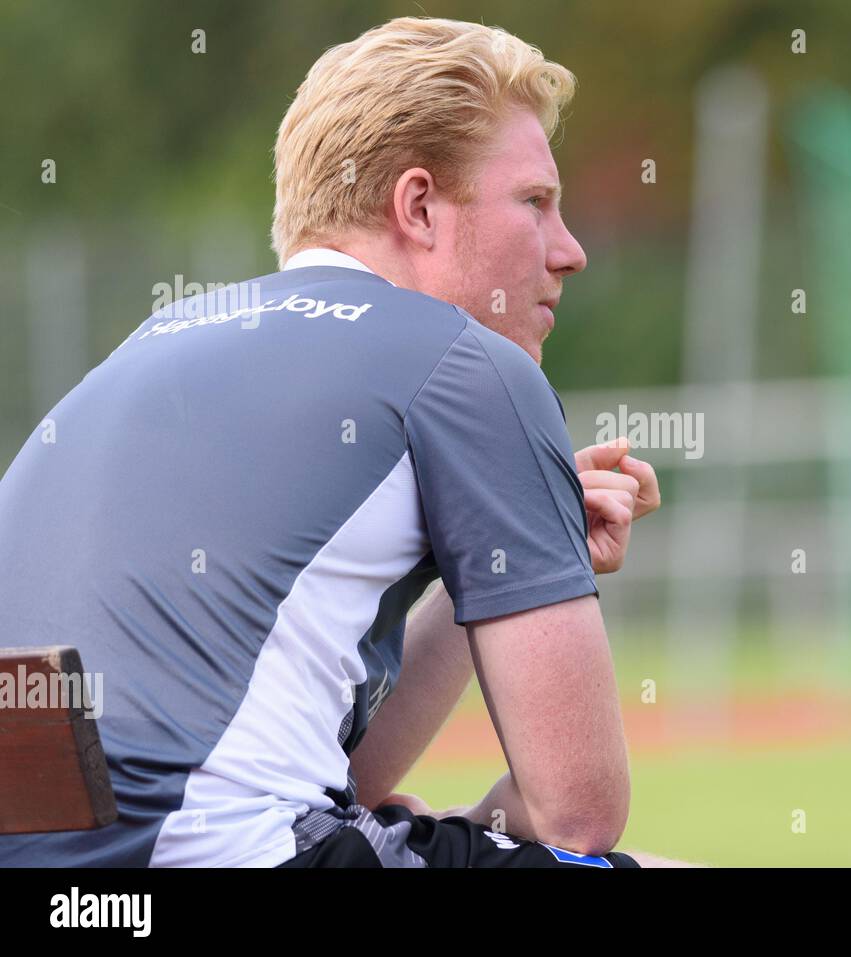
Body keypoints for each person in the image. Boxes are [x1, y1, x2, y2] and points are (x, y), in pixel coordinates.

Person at [0, 16, 696, 868]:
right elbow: (579, 815)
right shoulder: (470, 367)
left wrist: (506, 552)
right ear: (417, 206)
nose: (571, 251)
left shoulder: (151, 341)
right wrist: (477, 823)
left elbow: (292, 763)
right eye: (536, 203)